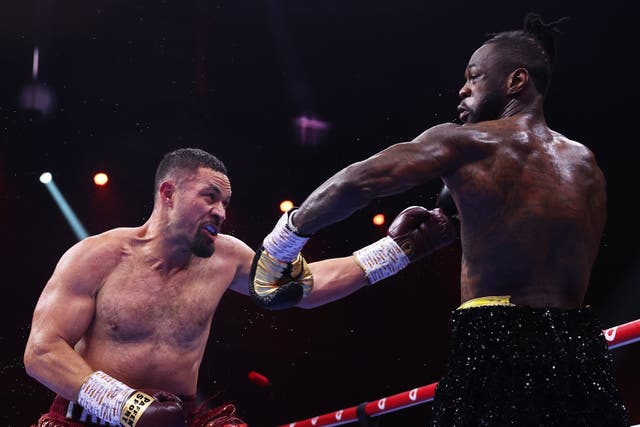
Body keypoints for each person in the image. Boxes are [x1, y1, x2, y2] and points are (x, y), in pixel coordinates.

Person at [252, 13, 630, 426]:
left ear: (516, 81)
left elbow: (359, 182)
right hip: (580, 354)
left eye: (474, 77)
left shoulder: (468, 143)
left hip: (496, 345)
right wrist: (410, 246)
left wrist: (282, 243)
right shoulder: (587, 166)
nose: (463, 89)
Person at [24, 148, 455, 427]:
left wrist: (395, 251)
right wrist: (126, 406)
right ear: (168, 193)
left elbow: (305, 287)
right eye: (210, 197)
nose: (220, 212)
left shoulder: (225, 256)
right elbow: (42, 352)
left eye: (225, 203)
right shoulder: (96, 256)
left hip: (180, 418)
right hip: (90, 418)